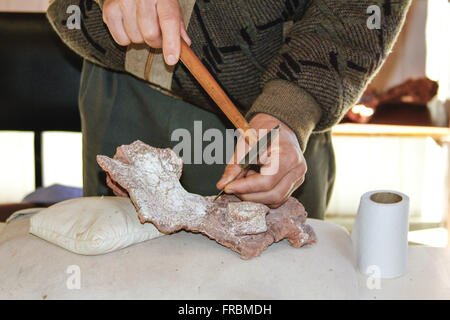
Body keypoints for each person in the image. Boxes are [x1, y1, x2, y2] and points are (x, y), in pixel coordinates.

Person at [47, 0, 411, 219]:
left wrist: (291, 107)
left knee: (272, 283)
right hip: (123, 78)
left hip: (281, 109)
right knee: (120, 277)